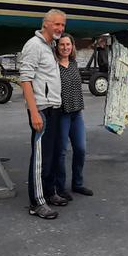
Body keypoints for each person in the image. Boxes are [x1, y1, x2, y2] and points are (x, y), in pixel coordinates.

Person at [18, 9, 69, 219]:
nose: (60, 28)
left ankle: (49, 193)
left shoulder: (50, 47)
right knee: (40, 158)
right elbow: (26, 79)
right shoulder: (34, 45)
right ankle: (36, 203)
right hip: (42, 109)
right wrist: (34, 112)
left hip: (54, 107)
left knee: (51, 155)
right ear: (45, 24)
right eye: (57, 24)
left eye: (63, 25)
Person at [53, 34, 92, 199]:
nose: (65, 47)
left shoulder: (74, 63)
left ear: (72, 46)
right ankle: (60, 188)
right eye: (62, 45)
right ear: (57, 47)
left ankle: (77, 183)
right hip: (62, 114)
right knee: (61, 151)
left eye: (68, 44)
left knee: (81, 149)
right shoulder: (54, 66)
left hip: (77, 113)